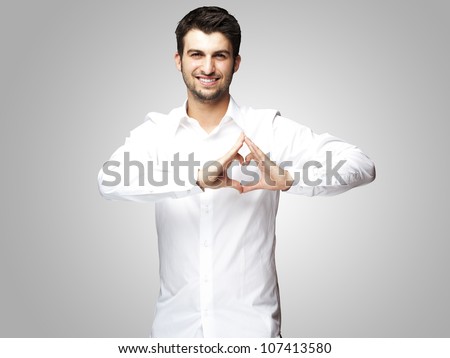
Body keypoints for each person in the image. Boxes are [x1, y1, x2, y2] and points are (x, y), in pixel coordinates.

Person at [97, 6, 375, 338]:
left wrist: (291, 178)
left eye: (220, 56)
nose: (208, 67)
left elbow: (361, 164)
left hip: (252, 334)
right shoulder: (157, 132)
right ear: (179, 60)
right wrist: (194, 179)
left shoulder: (267, 129)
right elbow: (109, 178)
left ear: (236, 63)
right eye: (197, 54)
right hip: (174, 335)